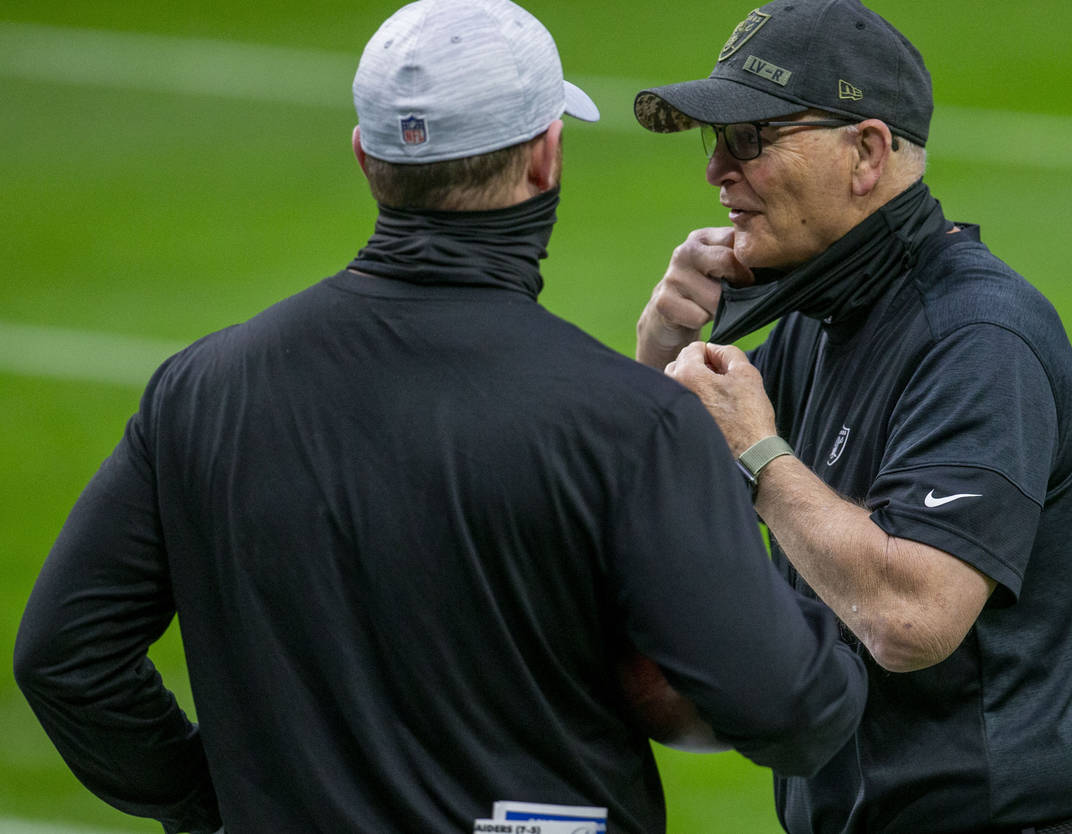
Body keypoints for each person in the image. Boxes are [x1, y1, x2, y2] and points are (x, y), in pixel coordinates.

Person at [13, 1, 869, 832]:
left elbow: (66, 659)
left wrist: (212, 804)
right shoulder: (628, 424)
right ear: (545, 156)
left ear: (366, 157)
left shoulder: (199, 390)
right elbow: (788, 709)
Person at [631, 1, 1072, 832]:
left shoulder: (977, 337)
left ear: (866, 153)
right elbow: (644, 537)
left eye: (750, 138)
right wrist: (661, 348)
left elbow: (911, 618)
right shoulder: (815, 321)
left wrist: (757, 449)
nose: (716, 170)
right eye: (711, 142)